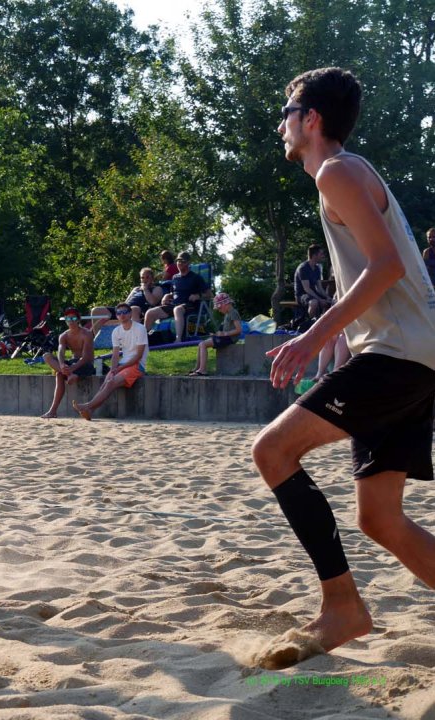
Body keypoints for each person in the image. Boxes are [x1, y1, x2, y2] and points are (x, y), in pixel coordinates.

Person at [253, 67, 435, 663]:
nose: (280, 126)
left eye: (286, 114)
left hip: (399, 357)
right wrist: (336, 339)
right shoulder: (346, 175)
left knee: (272, 451)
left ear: (311, 119)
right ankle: (344, 609)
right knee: (380, 518)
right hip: (410, 355)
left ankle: (343, 608)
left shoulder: (337, 170)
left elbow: (387, 266)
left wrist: (312, 337)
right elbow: (374, 277)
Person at [73, 302, 147, 421]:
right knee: (106, 383)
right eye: (119, 313)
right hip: (123, 365)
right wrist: (113, 369)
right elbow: (115, 354)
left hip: (137, 366)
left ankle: (87, 406)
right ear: (116, 316)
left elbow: (138, 356)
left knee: (110, 383)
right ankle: (90, 411)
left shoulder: (140, 328)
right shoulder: (116, 331)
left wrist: (119, 368)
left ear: (130, 314)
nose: (122, 315)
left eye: (125, 312)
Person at [143, 252, 211, 343]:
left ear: (188, 263)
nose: (179, 263)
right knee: (150, 312)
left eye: (182, 261)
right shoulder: (175, 277)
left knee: (177, 310)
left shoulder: (196, 278)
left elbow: (209, 294)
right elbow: (173, 292)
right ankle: (144, 340)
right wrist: (167, 296)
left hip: (190, 306)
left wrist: (198, 295)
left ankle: (178, 339)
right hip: (174, 305)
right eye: (178, 261)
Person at [40, 307, 94, 419]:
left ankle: (53, 410)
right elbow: (61, 351)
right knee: (47, 356)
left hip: (85, 364)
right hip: (72, 366)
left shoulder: (87, 334)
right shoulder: (64, 335)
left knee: (60, 374)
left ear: (78, 320)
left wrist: (73, 367)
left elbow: (85, 357)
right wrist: (62, 365)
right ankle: (53, 411)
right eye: (68, 319)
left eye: (73, 318)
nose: (71, 321)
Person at [90, 267, 163, 335]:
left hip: (138, 312)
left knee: (133, 308)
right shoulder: (136, 289)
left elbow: (153, 302)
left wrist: (145, 289)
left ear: (152, 278)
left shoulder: (156, 288)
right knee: (96, 310)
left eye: (147, 277)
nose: (145, 280)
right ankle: (98, 340)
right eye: (142, 278)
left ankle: (136, 338)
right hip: (124, 310)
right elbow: (126, 302)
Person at [189, 292, 241, 376]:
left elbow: (238, 330)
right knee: (200, 344)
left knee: (203, 344)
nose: (219, 310)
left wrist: (224, 334)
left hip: (230, 338)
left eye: (219, 308)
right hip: (226, 337)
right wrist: (217, 334)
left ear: (225, 304)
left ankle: (202, 370)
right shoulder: (228, 313)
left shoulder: (233, 313)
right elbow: (226, 329)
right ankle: (197, 368)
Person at [294, 244, 332, 318]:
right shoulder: (303, 268)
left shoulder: (317, 268)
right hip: (302, 295)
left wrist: (327, 297)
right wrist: (320, 299)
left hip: (313, 294)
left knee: (331, 301)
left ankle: (322, 321)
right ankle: (310, 323)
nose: (323, 256)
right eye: (321, 254)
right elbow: (306, 289)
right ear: (314, 255)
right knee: (314, 302)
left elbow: (319, 287)